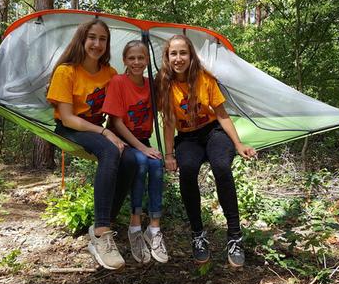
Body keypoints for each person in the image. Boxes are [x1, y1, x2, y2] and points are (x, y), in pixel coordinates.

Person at [156, 34, 257, 267]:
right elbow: (169, 122)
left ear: (191, 55)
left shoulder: (204, 79)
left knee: (222, 166)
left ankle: (234, 236)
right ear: (167, 57)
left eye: (183, 53)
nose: (178, 58)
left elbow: (221, 113)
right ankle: (198, 234)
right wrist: (169, 155)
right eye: (174, 53)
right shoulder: (164, 84)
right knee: (188, 169)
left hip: (213, 133)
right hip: (187, 139)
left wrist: (239, 144)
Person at [46, 19, 137, 270]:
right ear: (82, 40)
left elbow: (120, 107)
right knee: (110, 151)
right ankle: (101, 233)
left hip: (99, 129)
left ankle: (102, 224)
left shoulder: (110, 74)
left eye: (102, 39)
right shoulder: (67, 71)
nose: (97, 44)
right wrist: (104, 132)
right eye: (92, 38)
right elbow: (67, 118)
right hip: (71, 128)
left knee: (131, 159)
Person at [102, 40, 168, 264]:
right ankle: (134, 227)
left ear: (147, 60)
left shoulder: (150, 85)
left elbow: (167, 102)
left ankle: (154, 229)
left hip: (143, 139)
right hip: (122, 140)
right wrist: (142, 148)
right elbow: (117, 122)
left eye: (141, 58)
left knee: (156, 165)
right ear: (124, 61)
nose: (137, 62)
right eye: (132, 58)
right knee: (141, 163)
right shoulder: (118, 82)